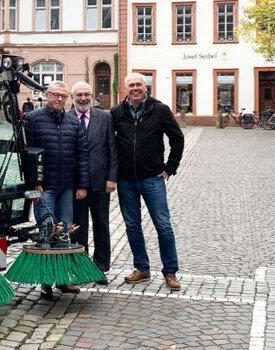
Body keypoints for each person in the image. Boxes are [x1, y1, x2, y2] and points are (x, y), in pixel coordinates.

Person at [110, 73, 185, 292]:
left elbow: (177, 138)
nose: (135, 88)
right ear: (126, 89)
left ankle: (170, 272)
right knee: (132, 225)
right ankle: (142, 268)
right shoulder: (117, 112)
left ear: (146, 87)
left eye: (138, 85)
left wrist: (170, 168)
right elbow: (108, 142)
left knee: (162, 224)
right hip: (126, 180)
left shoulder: (159, 109)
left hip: (152, 177)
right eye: (131, 85)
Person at [24, 81, 90, 298]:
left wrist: (81, 185)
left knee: (65, 234)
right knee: (47, 233)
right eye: (55, 95)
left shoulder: (73, 122)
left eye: (63, 96)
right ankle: (45, 283)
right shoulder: (33, 119)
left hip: (67, 188)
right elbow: (26, 153)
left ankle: (62, 280)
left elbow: (82, 156)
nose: (59, 99)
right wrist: (33, 182)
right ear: (47, 95)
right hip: (45, 188)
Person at [69, 81, 118, 284]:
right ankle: (81, 268)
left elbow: (112, 149)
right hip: (76, 184)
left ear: (92, 96)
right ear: (72, 97)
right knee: (78, 227)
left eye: (86, 94)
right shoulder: (66, 118)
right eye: (79, 95)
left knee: (101, 225)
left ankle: (100, 267)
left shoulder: (105, 117)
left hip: (100, 182)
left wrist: (112, 178)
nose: (83, 98)